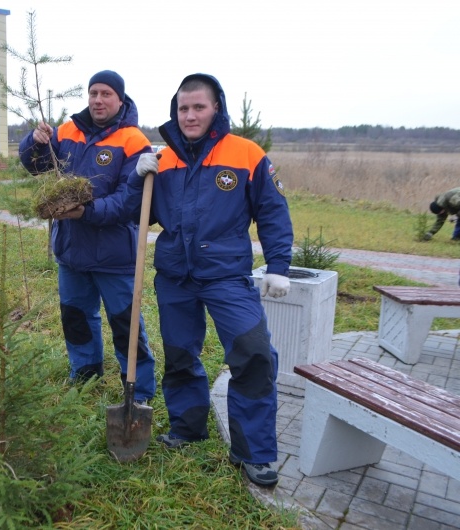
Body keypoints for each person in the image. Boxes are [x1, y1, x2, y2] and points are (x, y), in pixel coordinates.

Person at [125, 73, 293, 487]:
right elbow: (136, 214)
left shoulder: (246, 153)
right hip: (175, 277)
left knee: (254, 354)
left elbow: (272, 211)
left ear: (216, 107)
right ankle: (187, 428)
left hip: (226, 277)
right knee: (180, 355)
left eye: (199, 107)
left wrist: (278, 266)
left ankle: (254, 453)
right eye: (183, 108)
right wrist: (136, 177)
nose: (190, 115)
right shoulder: (163, 160)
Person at [18, 70, 157, 403]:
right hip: (72, 251)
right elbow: (36, 166)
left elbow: (129, 200)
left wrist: (86, 212)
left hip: (115, 255)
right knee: (76, 317)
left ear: (120, 100)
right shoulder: (68, 131)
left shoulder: (133, 140)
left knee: (126, 324)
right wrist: (34, 141)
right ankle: (84, 374)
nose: (98, 99)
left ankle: (138, 389)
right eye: (93, 93)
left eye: (106, 94)